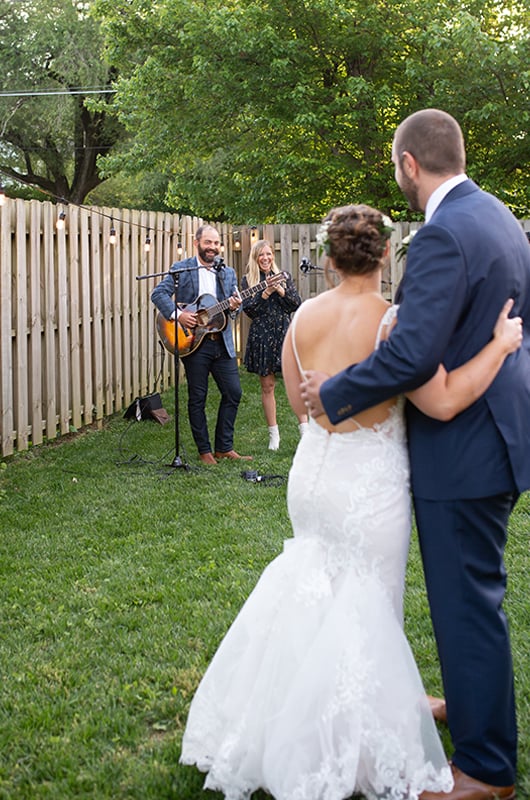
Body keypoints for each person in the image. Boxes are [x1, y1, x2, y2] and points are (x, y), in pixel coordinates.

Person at [178, 203, 522, 800]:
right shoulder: (394, 323)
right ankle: (355, 735)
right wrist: (499, 347)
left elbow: (299, 406)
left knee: (313, 584)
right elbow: (439, 402)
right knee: (371, 598)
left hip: (313, 475)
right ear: (385, 254)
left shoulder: (302, 317)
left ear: (330, 256)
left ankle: (285, 719)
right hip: (370, 480)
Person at [301, 110, 530, 800]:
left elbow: (410, 352)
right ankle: (470, 707)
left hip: (463, 450)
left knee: (466, 605)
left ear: (409, 164)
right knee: (471, 598)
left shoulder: (442, 235)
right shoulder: (500, 219)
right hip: (497, 434)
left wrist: (331, 394)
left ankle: (486, 769)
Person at [151, 225, 252, 465]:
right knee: (198, 396)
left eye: (216, 243)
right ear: (196, 243)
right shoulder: (183, 268)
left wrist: (236, 307)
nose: (213, 248)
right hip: (193, 341)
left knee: (233, 393)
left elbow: (232, 313)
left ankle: (223, 447)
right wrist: (178, 315)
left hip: (222, 341)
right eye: (208, 242)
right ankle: (204, 450)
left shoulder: (227, 273)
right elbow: (158, 294)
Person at [241, 239, 308, 450]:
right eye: (261, 255)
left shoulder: (283, 276)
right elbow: (250, 311)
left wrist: (280, 290)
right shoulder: (248, 281)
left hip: (282, 333)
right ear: (255, 258)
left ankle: (305, 431)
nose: (266, 258)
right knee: (267, 386)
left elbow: (295, 304)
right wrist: (265, 293)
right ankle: (274, 436)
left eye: (269, 254)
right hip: (262, 335)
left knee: (294, 383)